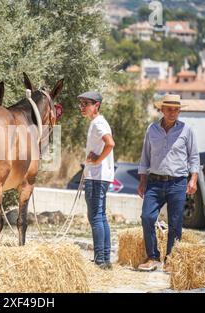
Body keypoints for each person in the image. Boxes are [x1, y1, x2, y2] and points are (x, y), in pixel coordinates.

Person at [137, 94, 200, 272]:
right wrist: (142, 181)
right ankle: (153, 257)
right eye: (169, 109)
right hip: (154, 182)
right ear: (162, 110)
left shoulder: (187, 130)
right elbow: (145, 156)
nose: (173, 112)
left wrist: (193, 178)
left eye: (176, 109)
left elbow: (194, 157)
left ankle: (171, 260)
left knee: (175, 223)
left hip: (177, 183)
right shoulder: (152, 129)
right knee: (147, 217)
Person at [78, 91, 115, 270]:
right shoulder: (98, 122)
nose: (82, 107)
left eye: (86, 103)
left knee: (95, 217)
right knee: (101, 216)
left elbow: (110, 143)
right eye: (81, 103)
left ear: (96, 105)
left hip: (97, 177)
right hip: (101, 176)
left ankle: (100, 260)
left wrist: (97, 160)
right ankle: (105, 258)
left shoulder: (98, 123)